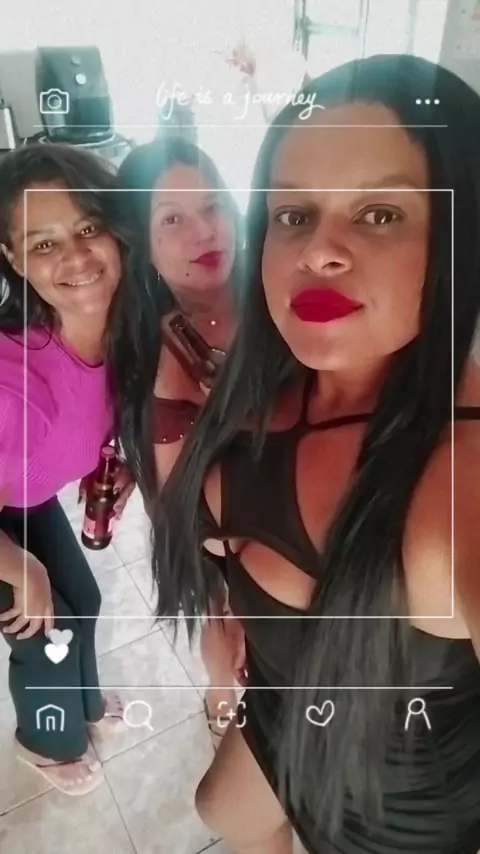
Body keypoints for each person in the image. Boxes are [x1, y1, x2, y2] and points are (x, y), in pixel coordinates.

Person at [145, 54, 480, 852]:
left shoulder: (455, 483)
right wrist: (225, 623)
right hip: (280, 714)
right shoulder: (253, 383)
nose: (318, 251)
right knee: (220, 809)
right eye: (293, 213)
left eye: (381, 214)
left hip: (394, 820)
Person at [0, 144, 135, 796]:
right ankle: (46, 741)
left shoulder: (123, 333)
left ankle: (83, 704)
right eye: (44, 244)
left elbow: (95, 411)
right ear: (12, 258)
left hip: (21, 496)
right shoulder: (12, 383)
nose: (77, 257)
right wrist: (16, 566)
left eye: (88, 227)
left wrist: (109, 460)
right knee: (45, 630)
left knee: (83, 603)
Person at [116, 137, 246, 749]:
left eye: (212, 204)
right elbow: (185, 516)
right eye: (172, 218)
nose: (205, 231)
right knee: (226, 640)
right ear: (143, 245)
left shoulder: (275, 287)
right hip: (225, 541)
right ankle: (220, 701)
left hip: (305, 519)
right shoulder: (160, 353)